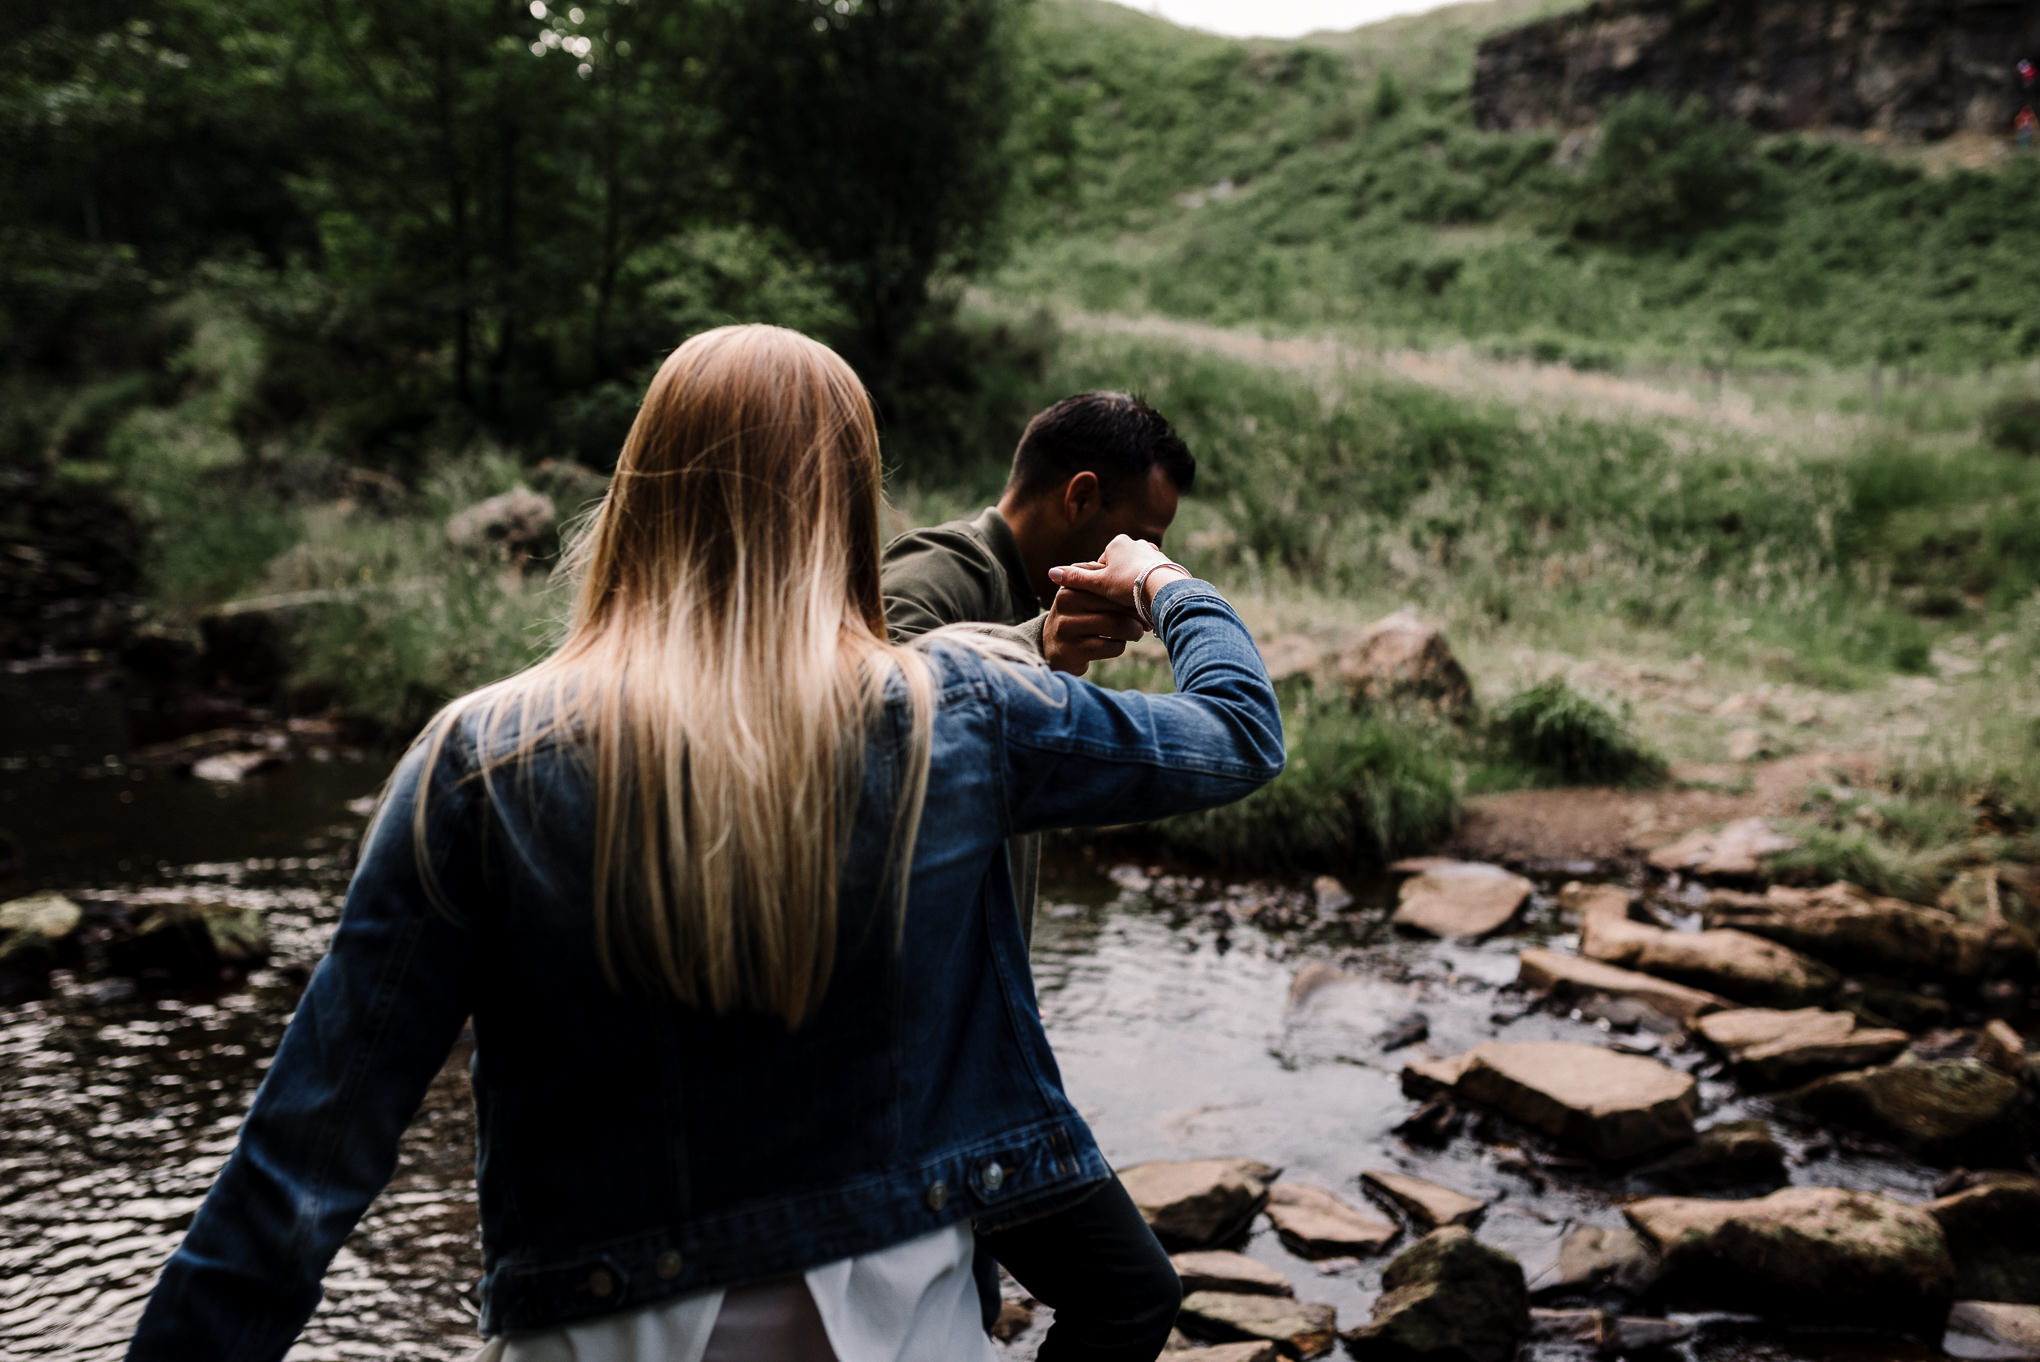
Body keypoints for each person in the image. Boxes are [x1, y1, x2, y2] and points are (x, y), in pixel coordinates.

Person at [125, 325, 1284, 1362]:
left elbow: (303, 1168)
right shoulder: (959, 713)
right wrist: (1164, 582)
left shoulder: (480, 760)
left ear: (637, 491)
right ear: (849, 509)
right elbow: (1238, 733)